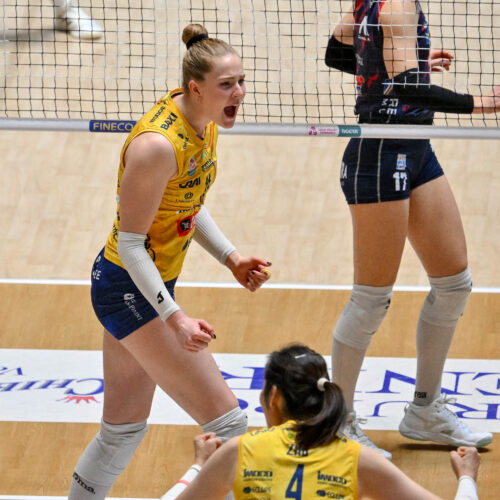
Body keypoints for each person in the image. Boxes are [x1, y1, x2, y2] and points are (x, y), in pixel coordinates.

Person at [68, 23, 271, 500]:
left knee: (122, 431)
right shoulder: (157, 146)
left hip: (144, 285)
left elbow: (186, 205)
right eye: (227, 84)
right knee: (230, 426)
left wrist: (231, 258)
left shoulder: (204, 124)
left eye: (241, 82)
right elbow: (132, 245)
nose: (239, 93)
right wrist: (175, 318)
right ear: (195, 88)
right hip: (128, 288)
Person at [324, 0, 500, 459]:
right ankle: (339, 422)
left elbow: (338, 54)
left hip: (416, 148)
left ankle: (424, 411)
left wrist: (410, 64)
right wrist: (479, 103)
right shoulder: (397, 4)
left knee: (453, 283)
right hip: (380, 154)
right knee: (371, 299)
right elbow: (404, 87)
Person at [161, 344, 483, 500]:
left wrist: (198, 467)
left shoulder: (237, 452)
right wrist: (467, 477)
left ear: (274, 397)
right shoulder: (360, 460)